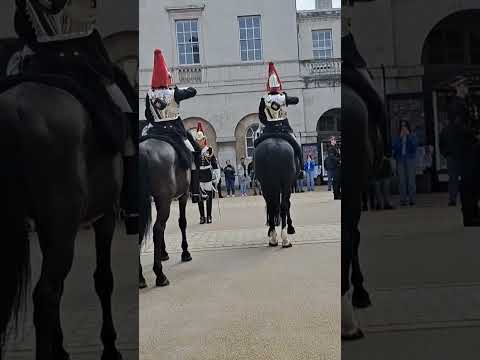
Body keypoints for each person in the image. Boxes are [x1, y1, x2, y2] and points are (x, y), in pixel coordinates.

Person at [9, 0, 140, 232]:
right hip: (82, 62)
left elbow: (22, 25)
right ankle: (132, 204)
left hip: (40, 63)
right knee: (126, 115)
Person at [142, 49, 202, 203]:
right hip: (175, 132)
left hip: (155, 131)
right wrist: (176, 90)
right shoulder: (174, 93)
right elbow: (193, 91)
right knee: (196, 152)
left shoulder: (149, 95)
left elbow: (148, 115)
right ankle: (196, 191)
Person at [257, 62, 304, 178]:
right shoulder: (283, 97)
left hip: (268, 131)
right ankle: (301, 169)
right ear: (278, 85)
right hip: (284, 130)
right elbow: (296, 100)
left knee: (256, 145)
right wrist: (285, 98)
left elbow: (261, 116)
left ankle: (256, 171)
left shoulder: (264, 99)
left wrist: (267, 122)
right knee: (297, 148)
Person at [447, 77, 480, 226]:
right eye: (465, 85)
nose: (467, 88)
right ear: (458, 87)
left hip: (471, 147)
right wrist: (475, 133)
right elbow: (459, 128)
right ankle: (469, 216)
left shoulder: (466, 103)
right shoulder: (456, 105)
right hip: (464, 149)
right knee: (467, 182)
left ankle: (474, 212)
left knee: (473, 181)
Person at [196, 123, 218, 224]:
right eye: (197, 140)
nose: (199, 142)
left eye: (200, 140)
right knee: (200, 197)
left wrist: (216, 174)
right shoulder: (195, 151)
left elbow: (214, 163)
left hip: (208, 174)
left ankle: (209, 216)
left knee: (209, 197)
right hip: (199, 175)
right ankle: (201, 217)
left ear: (204, 140)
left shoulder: (209, 150)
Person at [392, 120, 418, 206]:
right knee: (402, 181)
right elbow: (395, 149)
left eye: (405, 126)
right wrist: (400, 138)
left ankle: (412, 199)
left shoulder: (412, 135)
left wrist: (409, 136)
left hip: (410, 159)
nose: (403, 128)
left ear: (408, 127)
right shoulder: (397, 137)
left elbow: (413, 148)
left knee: (411, 180)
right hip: (400, 159)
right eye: (402, 126)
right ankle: (403, 200)